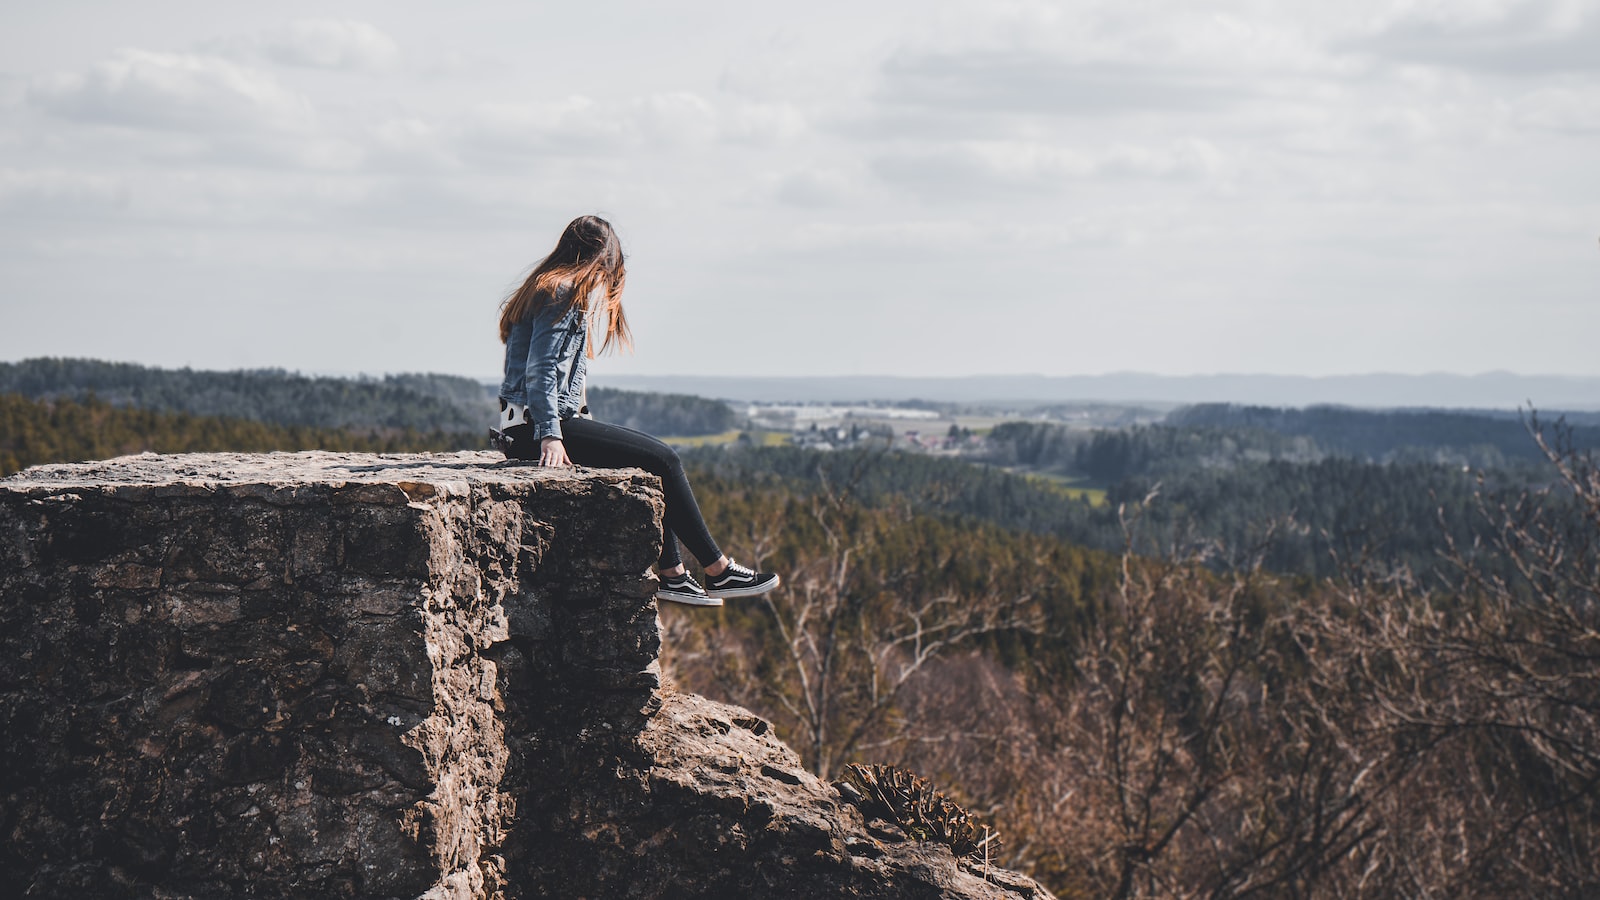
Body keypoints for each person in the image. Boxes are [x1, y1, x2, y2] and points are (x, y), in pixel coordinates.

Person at [491, 215, 780, 608]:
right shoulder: (560, 290)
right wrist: (551, 434)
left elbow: (563, 377)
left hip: (529, 426)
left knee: (646, 462)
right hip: (534, 429)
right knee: (664, 457)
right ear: (600, 260)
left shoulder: (548, 288)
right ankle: (718, 570)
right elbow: (539, 370)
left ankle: (674, 574)